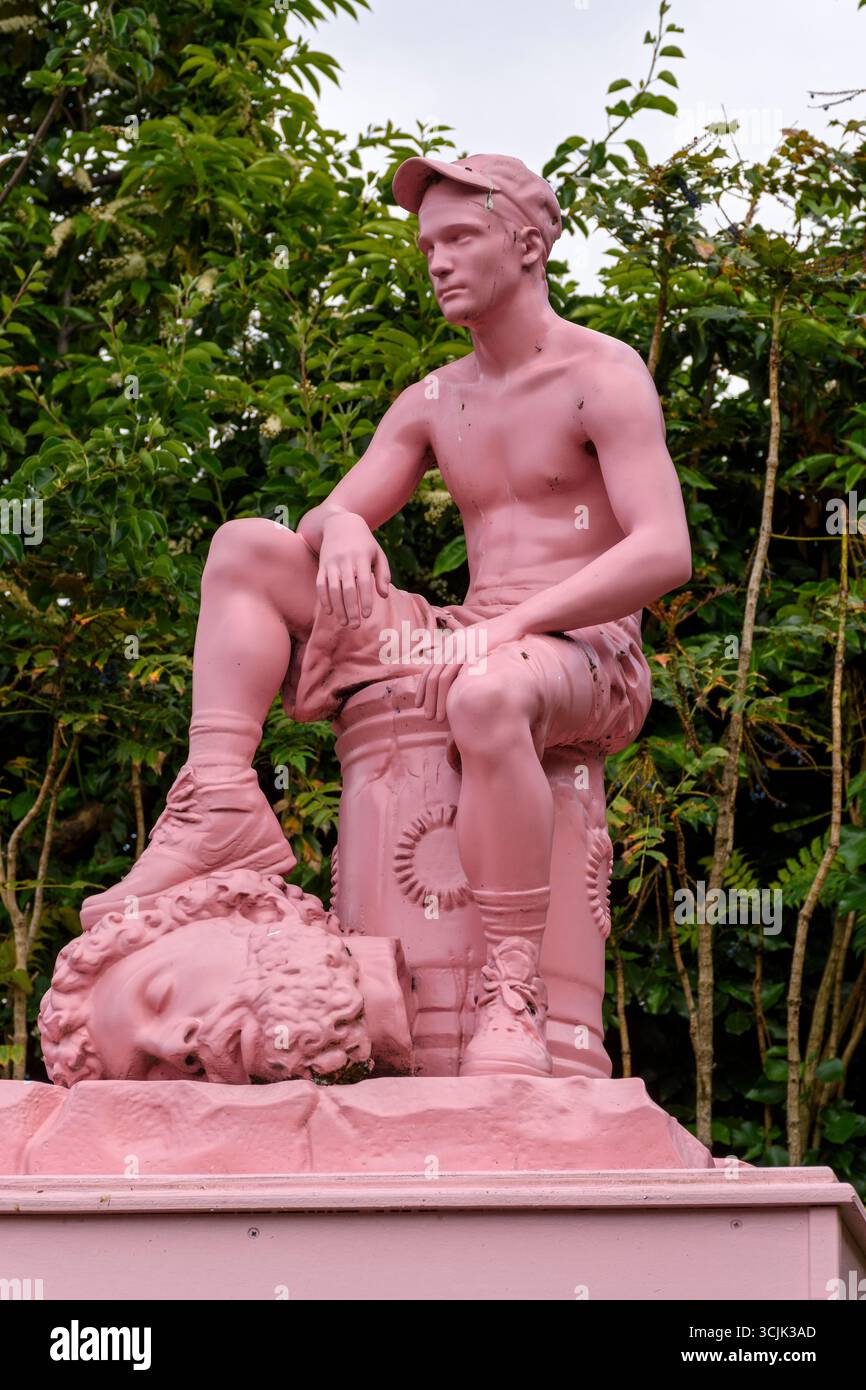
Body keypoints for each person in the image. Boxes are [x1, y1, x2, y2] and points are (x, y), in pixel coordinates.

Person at [82, 153, 691, 1079]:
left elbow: (661, 553)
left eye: (459, 238)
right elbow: (335, 508)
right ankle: (221, 802)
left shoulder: (600, 374)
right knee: (246, 548)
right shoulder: (436, 399)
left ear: (527, 243)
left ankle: (511, 990)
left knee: (485, 695)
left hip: (587, 655)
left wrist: (507, 631)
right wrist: (339, 530)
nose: (437, 260)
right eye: (427, 245)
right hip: (465, 634)